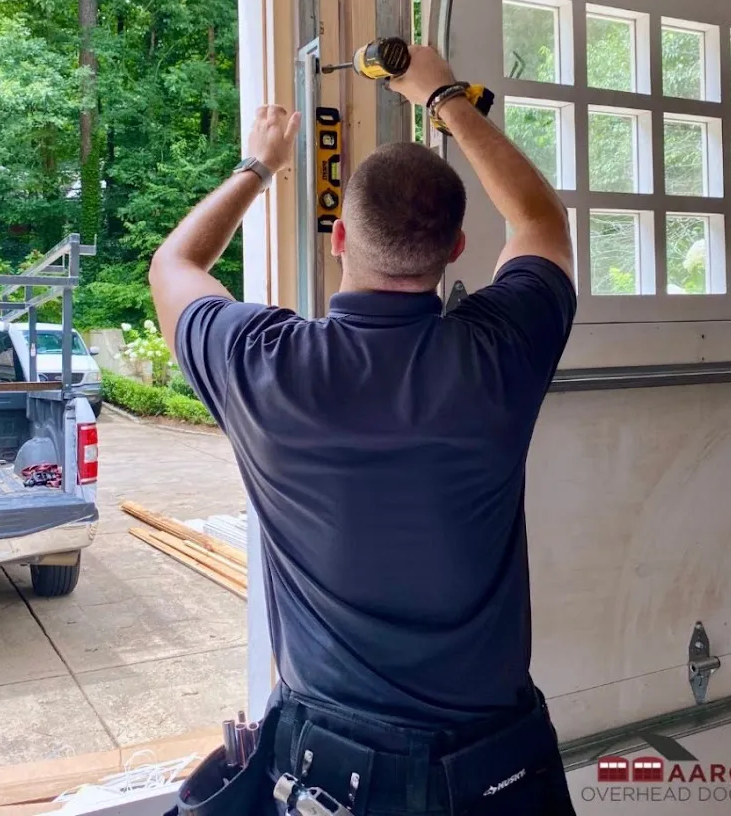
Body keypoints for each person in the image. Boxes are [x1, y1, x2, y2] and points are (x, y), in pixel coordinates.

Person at [150, 45, 577, 816]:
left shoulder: (261, 365)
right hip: (497, 771)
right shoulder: (498, 355)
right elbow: (540, 220)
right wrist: (446, 94)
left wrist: (260, 166)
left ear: (339, 240)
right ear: (455, 252)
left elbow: (175, 263)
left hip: (334, 776)